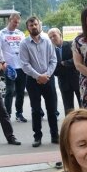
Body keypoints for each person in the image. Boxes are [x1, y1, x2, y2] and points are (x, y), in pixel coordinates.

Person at [19, 16, 59, 148]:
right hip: (32, 80)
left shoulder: (47, 41)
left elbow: (53, 60)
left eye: (35, 24)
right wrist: (38, 76)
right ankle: (37, 137)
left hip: (48, 79)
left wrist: (46, 75)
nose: (34, 27)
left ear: (39, 25)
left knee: (52, 109)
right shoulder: (24, 44)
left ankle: (55, 135)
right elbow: (24, 65)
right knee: (35, 110)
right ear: (27, 28)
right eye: (31, 25)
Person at [0, 12, 28, 123]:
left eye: (18, 23)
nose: (16, 24)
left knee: (20, 92)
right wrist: (2, 63)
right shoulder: (1, 33)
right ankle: (7, 114)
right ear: (10, 20)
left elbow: (25, 48)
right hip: (9, 67)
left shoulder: (20, 33)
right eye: (15, 22)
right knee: (9, 91)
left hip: (21, 67)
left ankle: (19, 113)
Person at [48, 27, 81, 115]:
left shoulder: (71, 44)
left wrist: (64, 63)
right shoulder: (51, 51)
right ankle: (70, 125)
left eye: (54, 36)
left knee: (82, 104)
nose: (52, 38)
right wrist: (65, 64)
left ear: (60, 35)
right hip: (63, 82)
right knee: (68, 108)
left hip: (76, 79)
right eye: (50, 37)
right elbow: (53, 68)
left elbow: (77, 60)